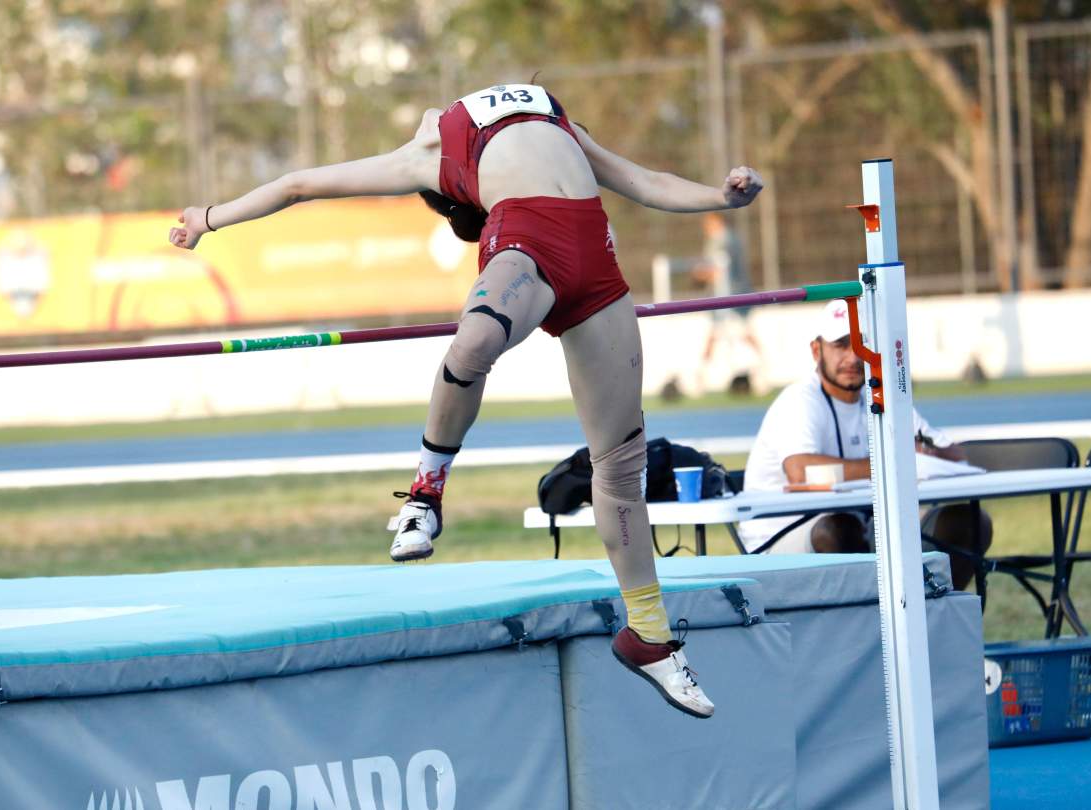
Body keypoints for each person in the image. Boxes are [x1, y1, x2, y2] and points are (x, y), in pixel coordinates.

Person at [171, 82, 763, 718]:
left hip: (597, 266)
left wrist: (721, 198)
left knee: (620, 464)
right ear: (458, 193)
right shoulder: (425, 156)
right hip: (527, 250)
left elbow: (641, 179)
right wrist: (210, 218)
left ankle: (648, 635)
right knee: (473, 343)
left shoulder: (555, 113)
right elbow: (297, 184)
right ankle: (425, 496)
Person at [739, 299, 991, 588]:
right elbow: (801, 471)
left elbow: (953, 453)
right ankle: (869, 625)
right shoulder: (799, 400)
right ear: (816, 350)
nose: (854, 357)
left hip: (864, 529)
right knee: (838, 528)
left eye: (862, 345)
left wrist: (928, 450)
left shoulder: (882, 395)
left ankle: (928, 617)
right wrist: (895, 460)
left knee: (970, 522)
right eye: (842, 345)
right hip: (778, 539)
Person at [690, 210, 762, 395]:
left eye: (708, 223)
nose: (705, 228)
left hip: (733, 298)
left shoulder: (725, 241)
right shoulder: (722, 240)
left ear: (716, 222)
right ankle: (701, 377)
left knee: (743, 333)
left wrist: (701, 273)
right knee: (717, 336)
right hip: (722, 297)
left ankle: (763, 369)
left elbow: (720, 269)